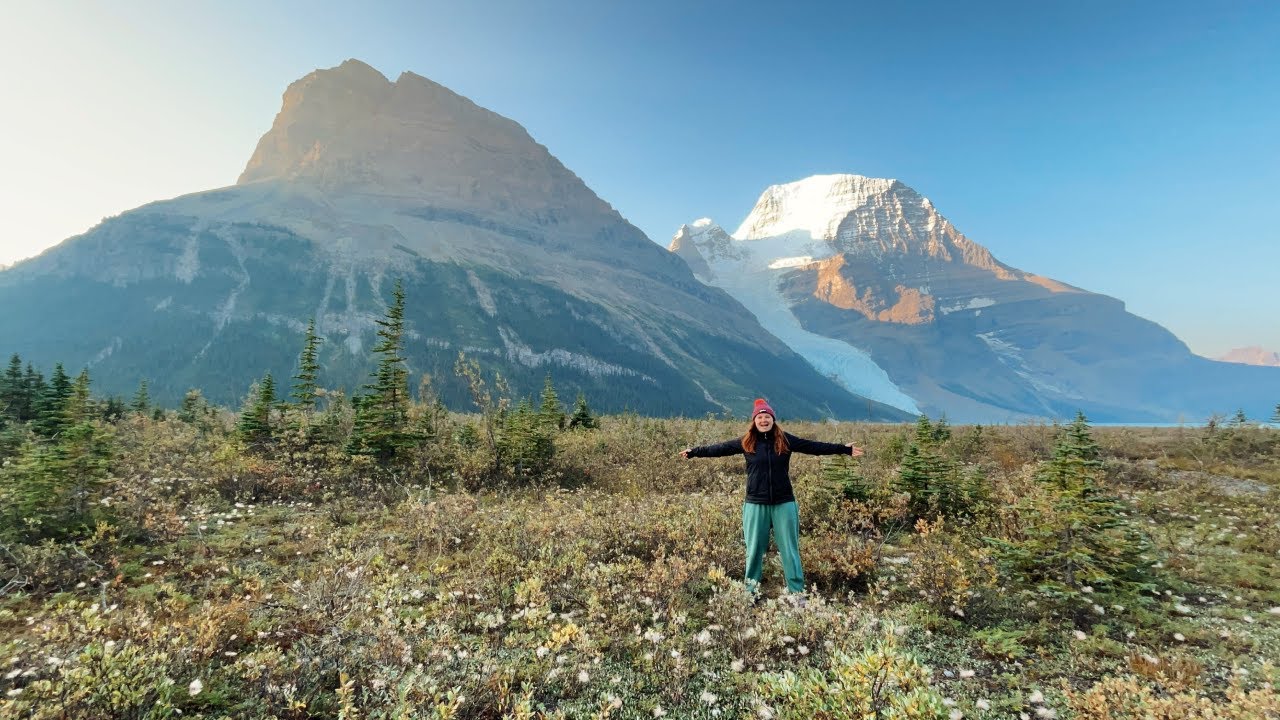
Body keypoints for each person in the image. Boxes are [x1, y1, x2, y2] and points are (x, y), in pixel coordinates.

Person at [680, 398, 864, 605]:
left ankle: (796, 593)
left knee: (790, 549)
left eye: (767, 416)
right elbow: (719, 449)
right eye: (760, 417)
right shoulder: (746, 442)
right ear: (754, 421)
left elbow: (813, 446)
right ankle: (751, 592)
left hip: (784, 503)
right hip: (755, 504)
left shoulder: (785, 440)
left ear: (773, 419)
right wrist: (694, 452)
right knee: (754, 550)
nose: (764, 420)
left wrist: (843, 449)